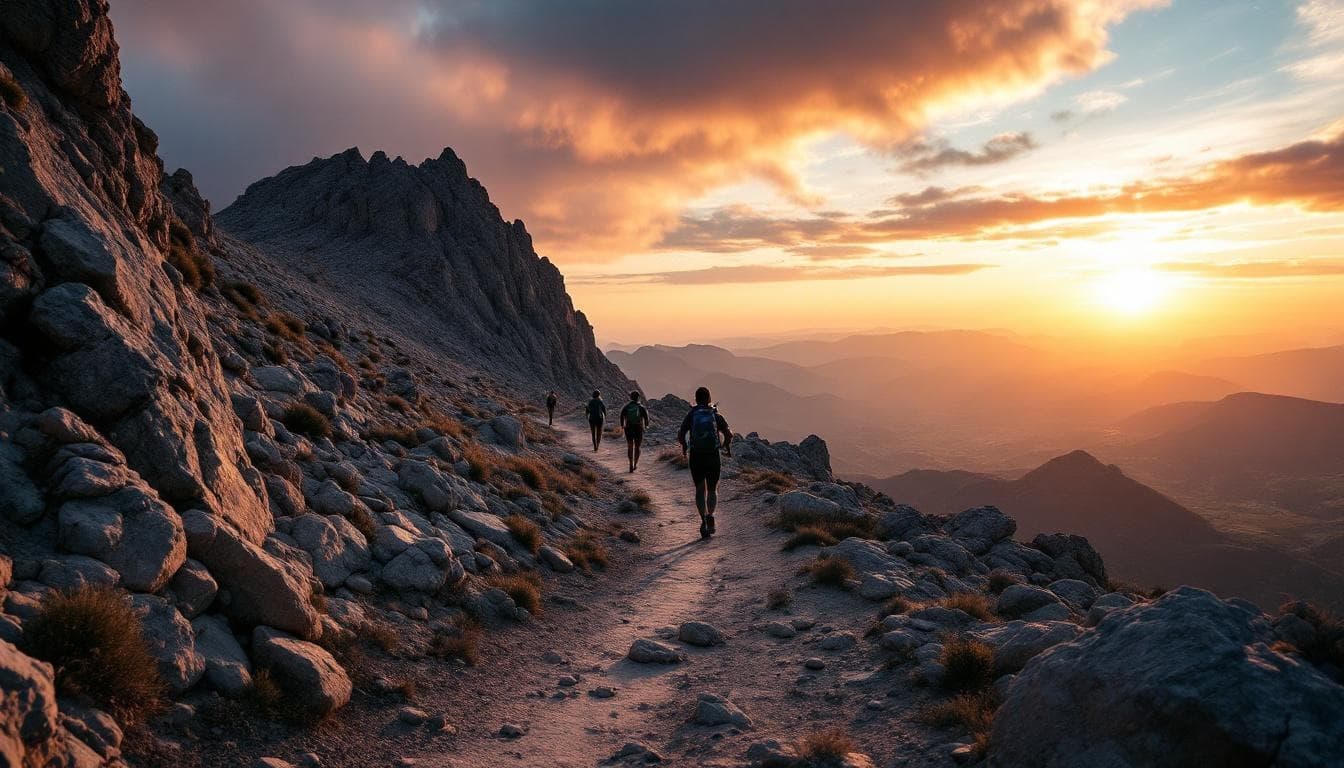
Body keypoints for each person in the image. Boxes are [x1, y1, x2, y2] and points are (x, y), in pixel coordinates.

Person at [676, 387, 733, 539]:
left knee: (700, 489)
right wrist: (725, 447)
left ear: (696, 398)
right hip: (713, 456)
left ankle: (703, 520)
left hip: (696, 456)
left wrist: (685, 448)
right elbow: (729, 434)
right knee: (713, 489)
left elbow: (681, 435)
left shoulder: (691, 414)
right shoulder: (715, 415)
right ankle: (711, 515)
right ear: (709, 398)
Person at [619, 391, 650, 473]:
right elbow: (646, 418)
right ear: (638, 397)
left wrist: (622, 425)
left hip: (628, 428)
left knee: (630, 446)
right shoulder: (641, 407)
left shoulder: (626, 407)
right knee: (637, 447)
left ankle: (630, 464)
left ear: (630, 397)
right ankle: (635, 464)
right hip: (638, 428)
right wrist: (646, 426)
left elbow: (622, 416)